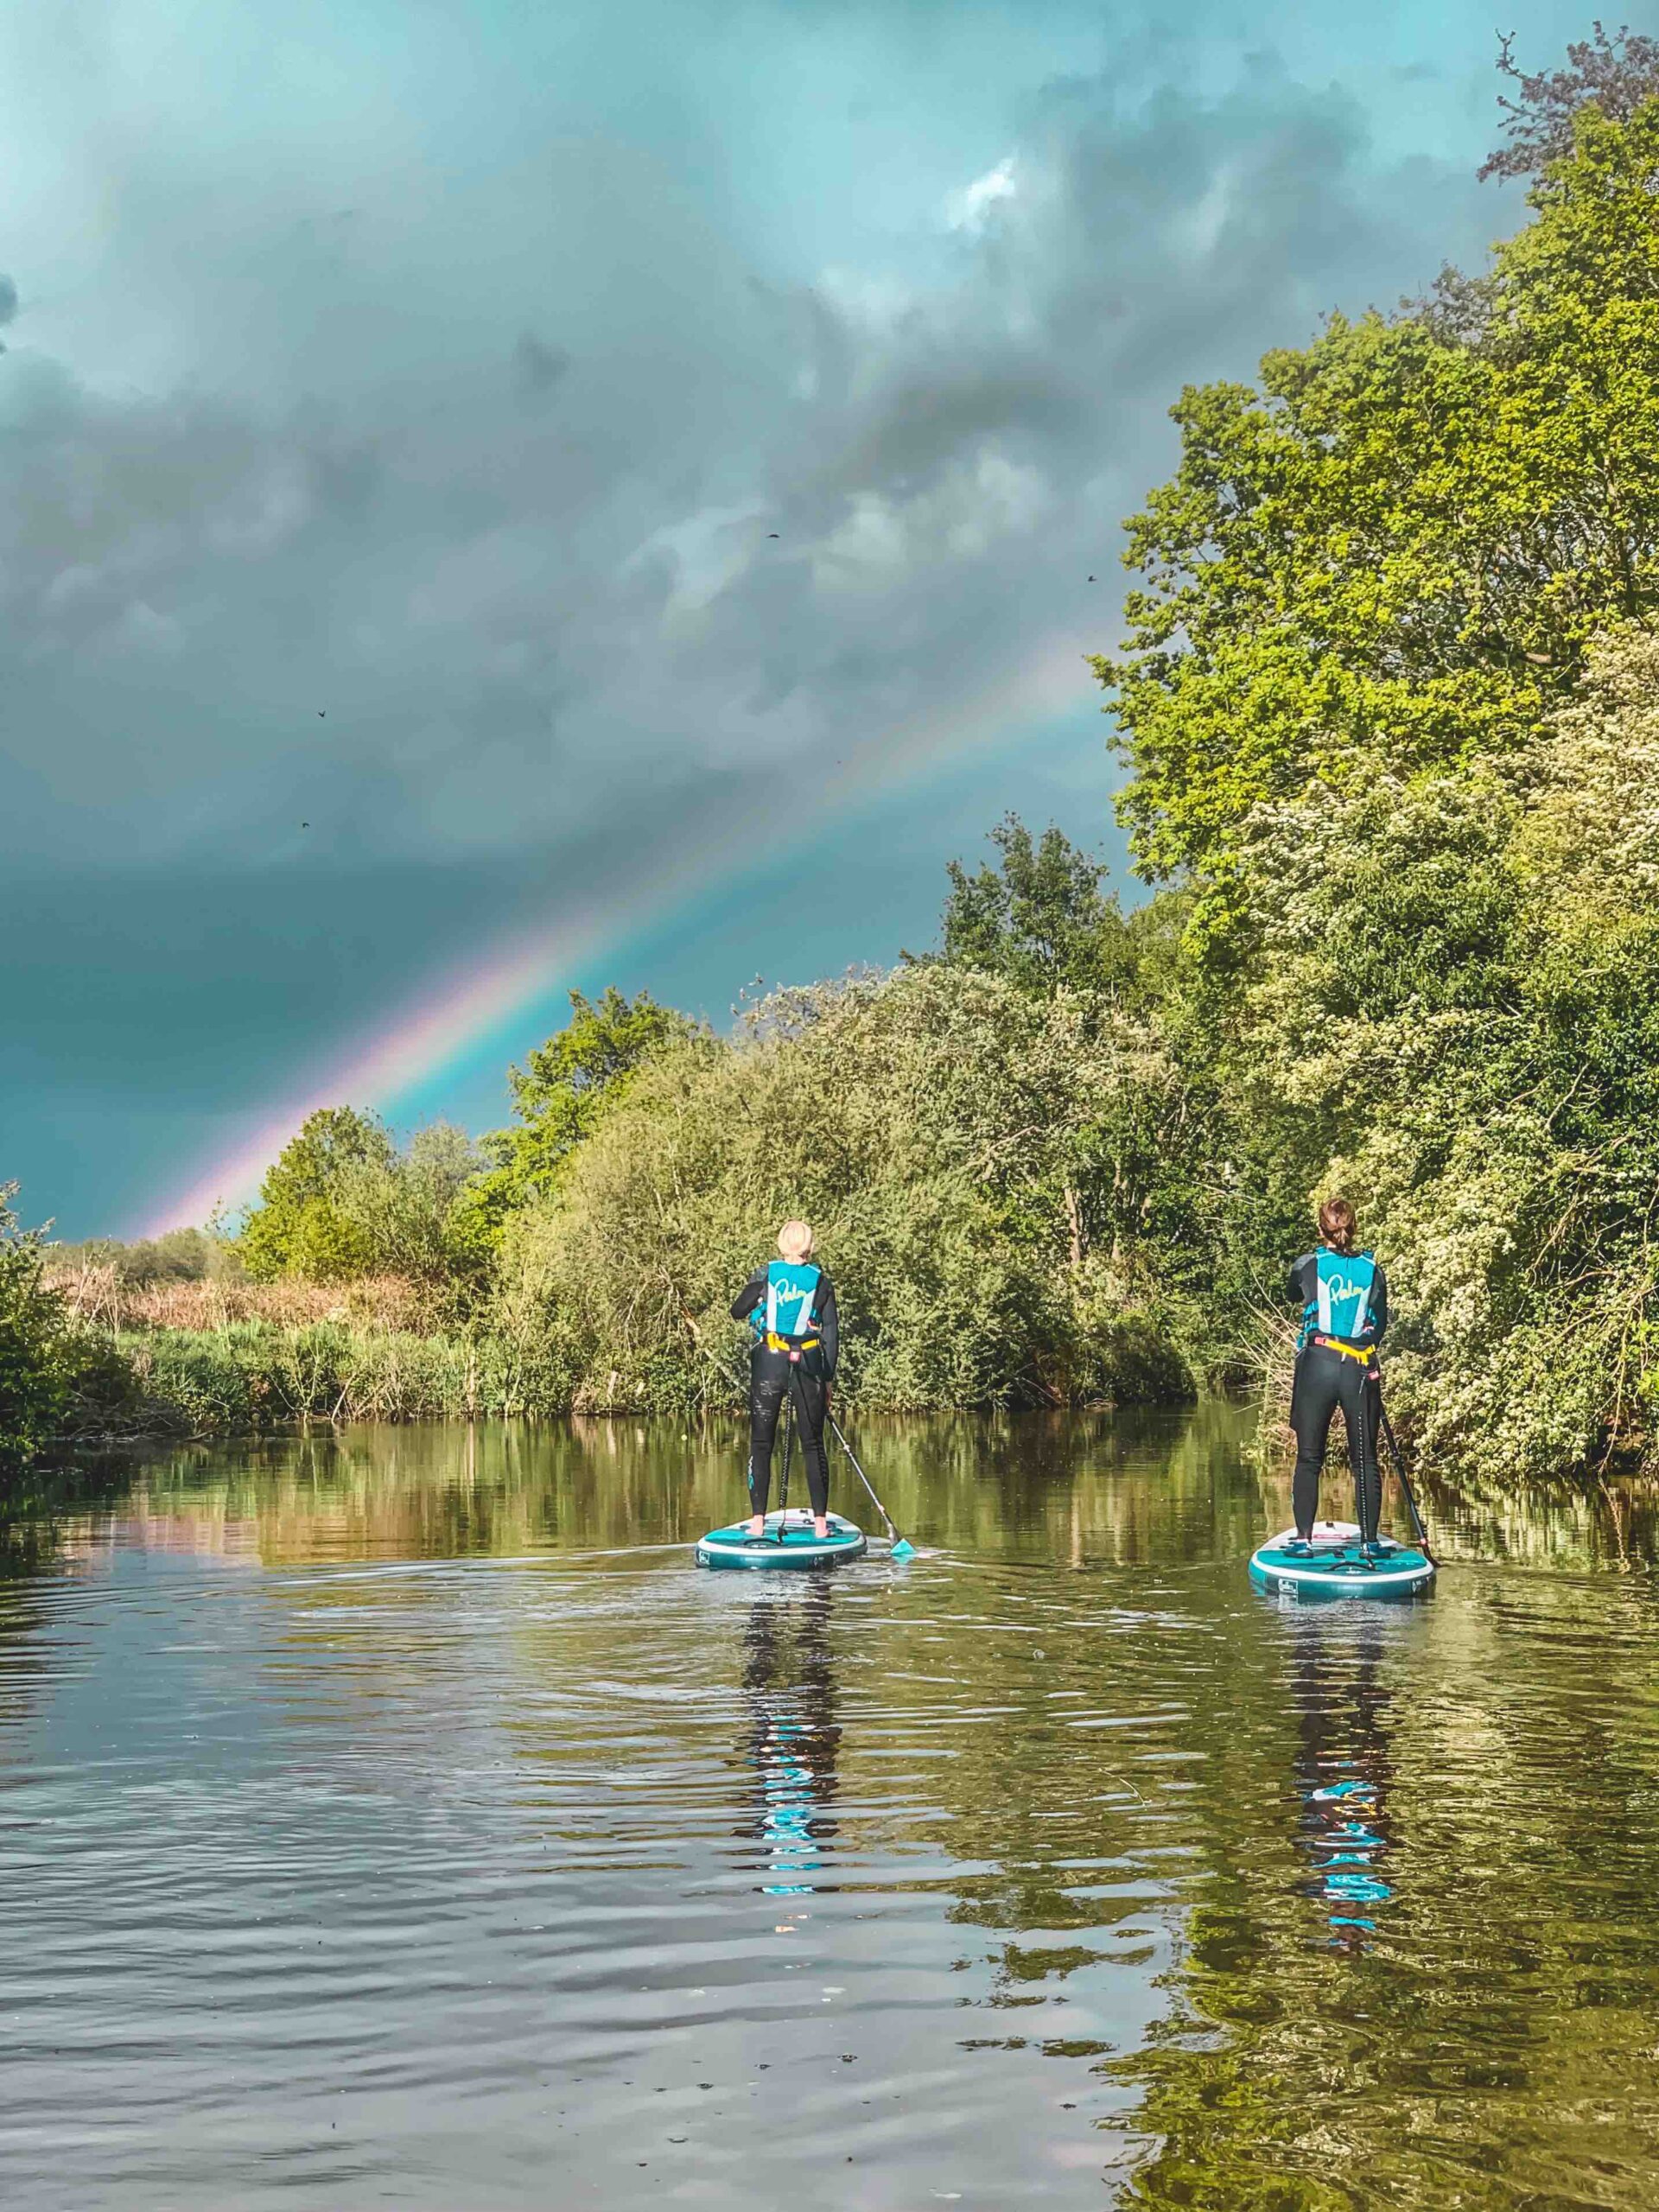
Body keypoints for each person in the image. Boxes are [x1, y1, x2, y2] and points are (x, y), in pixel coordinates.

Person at [1287, 1196, 1391, 1560]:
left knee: (1309, 1457)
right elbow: (1380, 1321)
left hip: (1317, 1364)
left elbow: (1292, 1293)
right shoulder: (1373, 1268)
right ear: (1354, 1227)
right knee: (1365, 1459)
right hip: (1359, 1368)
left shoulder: (1306, 1264)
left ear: (1321, 1228)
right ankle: (1369, 1542)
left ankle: (1304, 1540)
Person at [731, 1221, 839, 1541]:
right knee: (813, 1444)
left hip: (769, 1363)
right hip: (808, 1364)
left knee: (762, 1443)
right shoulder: (821, 1281)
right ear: (809, 1246)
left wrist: (759, 1302)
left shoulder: (766, 1274)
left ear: (781, 1245)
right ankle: (820, 1525)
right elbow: (831, 1334)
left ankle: (758, 1522)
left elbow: (738, 1310)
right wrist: (828, 1379)